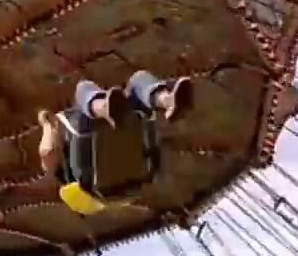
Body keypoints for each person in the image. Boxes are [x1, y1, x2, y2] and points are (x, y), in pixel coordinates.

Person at [40, 71, 192, 213]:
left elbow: (49, 153)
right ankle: (164, 100)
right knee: (85, 87)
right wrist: (47, 125)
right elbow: (47, 152)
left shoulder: (72, 178)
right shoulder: (67, 177)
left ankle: (168, 102)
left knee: (137, 85)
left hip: (133, 169)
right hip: (99, 148)